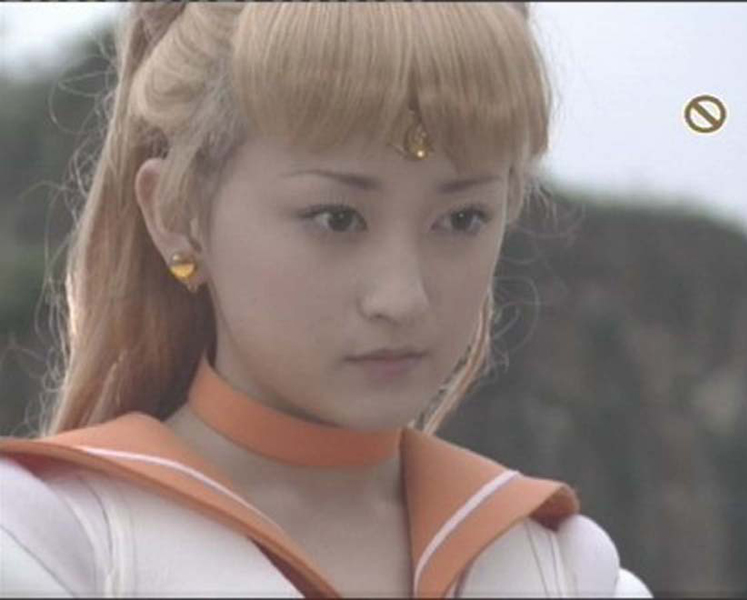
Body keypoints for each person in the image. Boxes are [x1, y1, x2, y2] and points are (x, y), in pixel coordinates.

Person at [0, 3, 652, 597]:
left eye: (463, 219)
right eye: (337, 218)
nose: (402, 298)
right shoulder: (52, 543)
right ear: (177, 212)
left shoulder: (565, 571)